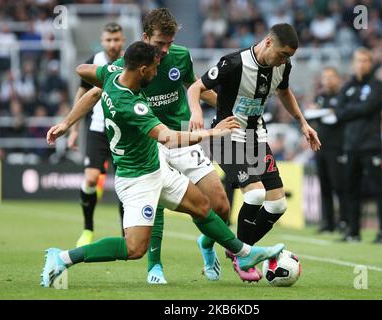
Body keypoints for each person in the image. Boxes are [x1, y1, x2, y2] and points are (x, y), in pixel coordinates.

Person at [41, 41, 284, 288]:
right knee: (134, 248)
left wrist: (65, 123)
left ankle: (244, 253)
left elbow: (83, 70)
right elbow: (168, 138)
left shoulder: (112, 74)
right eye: (155, 69)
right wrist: (213, 132)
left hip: (156, 167)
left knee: (201, 206)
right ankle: (62, 257)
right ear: (143, 70)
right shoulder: (131, 105)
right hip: (137, 180)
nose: (158, 73)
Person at [69, 8, 230, 284]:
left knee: (221, 205)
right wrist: (67, 123)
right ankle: (155, 266)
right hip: (152, 138)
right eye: (159, 44)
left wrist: (230, 112)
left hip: (180, 134)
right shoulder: (129, 65)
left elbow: (196, 87)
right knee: (154, 201)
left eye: (169, 43)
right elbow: (95, 90)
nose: (166, 50)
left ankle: (207, 244)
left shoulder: (181, 56)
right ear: (145, 38)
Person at [187, 23, 321, 282]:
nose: (284, 60)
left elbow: (284, 91)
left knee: (277, 204)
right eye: (282, 54)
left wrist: (303, 123)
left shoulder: (282, 65)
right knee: (257, 193)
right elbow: (195, 88)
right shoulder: (233, 63)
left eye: (289, 57)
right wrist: (196, 112)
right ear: (268, 42)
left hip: (256, 138)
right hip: (225, 137)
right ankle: (242, 256)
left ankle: (229, 245)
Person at [319, 48, 382, 244]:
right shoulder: (348, 86)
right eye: (358, 60)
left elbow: (368, 107)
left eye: (365, 61)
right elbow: (339, 112)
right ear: (353, 63)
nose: (362, 64)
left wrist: (350, 109)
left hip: (370, 144)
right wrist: (355, 109)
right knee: (351, 188)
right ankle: (353, 231)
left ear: (370, 63)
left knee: (378, 189)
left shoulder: (377, 85)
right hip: (350, 145)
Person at [67, 22, 126, 247]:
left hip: (123, 132)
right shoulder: (94, 62)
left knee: (124, 183)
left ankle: (126, 234)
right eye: (109, 40)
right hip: (99, 130)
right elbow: (81, 95)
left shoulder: (131, 62)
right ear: (102, 41)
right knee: (91, 178)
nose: (112, 44)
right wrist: (73, 130)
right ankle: (88, 229)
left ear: (122, 40)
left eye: (116, 39)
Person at [311, 67, 348, 233]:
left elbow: (337, 117)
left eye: (331, 77)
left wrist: (321, 113)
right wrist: (323, 113)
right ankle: (328, 222)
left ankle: (344, 221)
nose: (328, 80)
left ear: (337, 79)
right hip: (320, 147)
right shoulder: (320, 97)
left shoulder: (342, 96)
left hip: (337, 147)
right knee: (324, 186)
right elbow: (310, 113)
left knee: (339, 185)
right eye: (325, 77)